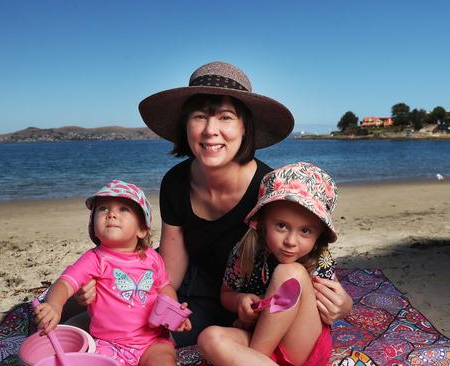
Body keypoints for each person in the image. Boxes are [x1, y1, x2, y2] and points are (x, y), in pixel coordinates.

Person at [79, 61, 352, 347]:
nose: (210, 130)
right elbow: (170, 273)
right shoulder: (176, 181)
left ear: (245, 127)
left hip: (236, 301)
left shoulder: (269, 189)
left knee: (137, 336)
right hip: (185, 283)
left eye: (225, 117)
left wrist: (343, 303)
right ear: (186, 125)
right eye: (199, 116)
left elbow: (300, 259)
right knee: (92, 314)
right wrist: (123, 295)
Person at [34, 180, 191, 366]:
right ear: (93, 226)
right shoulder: (95, 259)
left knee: (164, 360)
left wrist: (173, 313)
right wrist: (54, 305)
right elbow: (66, 283)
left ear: (142, 229)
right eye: (103, 209)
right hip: (109, 345)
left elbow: (164, 288)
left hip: (154, 341)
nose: (111, 214)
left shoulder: (152, 258)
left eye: (124, 209)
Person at [198, 162, 337, 366]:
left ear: (319, 234)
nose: (291, 241)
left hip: (300, 345)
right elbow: (226, 294)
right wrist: (240, 301)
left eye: (305, 231)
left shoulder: (319, 257)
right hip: (258, 340)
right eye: (281, 226)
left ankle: (255, 358)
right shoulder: (245, 250)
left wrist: (344, 304)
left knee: (291, 274)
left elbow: (336, 302)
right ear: (262, 222)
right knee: (209, 338)